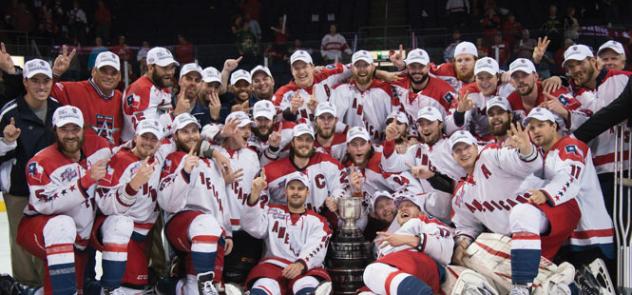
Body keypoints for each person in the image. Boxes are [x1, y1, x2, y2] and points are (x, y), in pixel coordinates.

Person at [448, 127, 581, 294]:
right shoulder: (460, 195)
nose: (463, 153)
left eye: (467, 147)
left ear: (476, 147)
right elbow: (468, 226)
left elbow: (528, 163)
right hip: (522, 238)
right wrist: (462, 245)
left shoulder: (490, 156)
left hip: (552, 208)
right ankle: (581, 288)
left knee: (520, 213)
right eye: (457, 150)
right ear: (452, 156)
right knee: (545, 285)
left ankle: (520, 288)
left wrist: (526, 149)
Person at [18, 106, 111, 294]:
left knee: (72, 289)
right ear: (55, 131)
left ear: (83, 129)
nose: (70, 135)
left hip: (78, 238)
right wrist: (85, 182)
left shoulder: (100, 148)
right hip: (40, 229)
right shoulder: (40, 163)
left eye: (75, 129)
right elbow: (43, 205)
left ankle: (23, 291)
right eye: (64, 129)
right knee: (62, 225)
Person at [524, 107, 615, 289]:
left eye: (540, 125)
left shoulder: (571, 146)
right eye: (531, 128)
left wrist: (545, 194)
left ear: (553, 126)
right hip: (569, 236)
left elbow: (569, 177)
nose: (535, 131)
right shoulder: (544, 156)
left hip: (592, 235)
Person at [0, 58, 59, 289]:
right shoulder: (10, 112)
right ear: (25, 82)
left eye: (46, 80)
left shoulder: (58, 109)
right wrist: (6, 141)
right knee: (22, 243)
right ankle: (25, 286)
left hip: (52, 190)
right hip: (19, 190)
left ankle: (48, 286)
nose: (41, 86)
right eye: (35, 81)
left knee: (48, 240)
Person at [158, 113, 232, 294]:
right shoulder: (174, 158)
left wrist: (227, 232)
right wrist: (184, 172)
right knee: (206, 223)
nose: (191, 136)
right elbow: (167, 202)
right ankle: (201, 283)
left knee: (198, 289)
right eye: (184, 132)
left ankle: (168, 287)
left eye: (194, 131)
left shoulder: (213, 162)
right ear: (175, 135)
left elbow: (220, 200)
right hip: (181, 222)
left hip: (211, 231)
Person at [0, 45, 125, 145]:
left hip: (112, 168)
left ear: (119, 76)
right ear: (93, 71)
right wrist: (10, 72)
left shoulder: (122, 99)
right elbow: (36, 91)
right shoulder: (72, 89)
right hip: (78, 165)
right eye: (104, 70)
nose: (108, 76)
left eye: (113, 73)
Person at [242, 171, 333, 295]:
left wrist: (301, 264)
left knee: (307, 285)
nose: (296, 192)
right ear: (285, 191)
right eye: (292, 188)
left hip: (305, 269)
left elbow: (317, 247)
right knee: (263, 286)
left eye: (300, 188)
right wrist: (254, 194)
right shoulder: (271, 212)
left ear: (308, 192)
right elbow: (251, 226)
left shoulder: (319, 221)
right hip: (272, 267)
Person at [363, 193, 454, 295]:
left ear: (421, 212)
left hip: (422, 266)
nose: (403, 209)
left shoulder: (424, 221)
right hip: (401, 274)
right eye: (400, 208)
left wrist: (410, 240)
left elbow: (446, 250)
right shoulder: (393, 235)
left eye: (409, 205)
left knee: (371, 272)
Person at [262, 123, 348, 216]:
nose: (304, 144)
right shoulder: (272, 171)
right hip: (288, 224)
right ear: (292, 143)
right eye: (299, 139)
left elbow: (342, 185)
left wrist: (335, 199)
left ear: (313, 143)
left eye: (308, 140)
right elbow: (262, 202)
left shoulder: (326, 162)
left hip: (322, 222)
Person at [331, 50, 400, 142]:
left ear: (372, 67)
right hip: (352, 147)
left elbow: (396, 118)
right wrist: (351, 131)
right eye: (358, 66)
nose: (362, 69)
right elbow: (331, 122)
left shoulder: (387, 89)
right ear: (351, 68)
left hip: (380, 147)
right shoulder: (340, 90)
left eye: (365, 65)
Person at [447, 56, 514, 140]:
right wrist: (459, 113)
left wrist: (514, 79)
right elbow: (448, 129)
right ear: (475, 78)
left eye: (489, 77)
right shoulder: (467, 93)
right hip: (479, 143)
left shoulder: (509, 88)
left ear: (497, 77)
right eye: (480, 78)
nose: (485, 82)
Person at [273, 50, 351, 122]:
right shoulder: (283, 93)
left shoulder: (324, 74)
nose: (301, 71)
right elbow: (272, 119)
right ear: (291, 71)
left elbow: (353, 67)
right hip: (303, 135)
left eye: (304, 67)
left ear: (312, 67)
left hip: (330, 131)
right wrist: (290, 111)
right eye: (296, 68)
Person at [388, 48, 456, 128]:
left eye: (421, 66)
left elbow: (455, 122)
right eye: (413, 66)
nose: (417, 71)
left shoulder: (444, 91)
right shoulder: (398, 82)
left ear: (428, 67)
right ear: (408, 67)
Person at [122, 47, 178, 141]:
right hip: (137, 150)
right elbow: (146, 135)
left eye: (172, 67)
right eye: (164, 68)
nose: (170, 72)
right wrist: (176, 114)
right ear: (151, 68)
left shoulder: (162, 86)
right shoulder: (140, 89)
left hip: (159, 145)